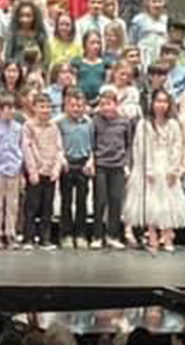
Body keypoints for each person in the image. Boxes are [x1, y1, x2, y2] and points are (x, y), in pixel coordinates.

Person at [124, 89, 185, 253]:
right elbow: (139, 147)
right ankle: (152, 235)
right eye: (158, 101)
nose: (161, 105)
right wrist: (147, 168)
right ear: (152, 103)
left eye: (164, 102)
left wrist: (174, 168)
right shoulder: (144, 123)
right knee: (150, 202)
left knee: (167, 202)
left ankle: (167, 236)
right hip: (149, 166)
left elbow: (177, 146)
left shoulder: (173, 124)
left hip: (167, 165)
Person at [21, 92, 65, 250]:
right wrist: (32, 170)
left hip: (50, 172)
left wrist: (56, 169)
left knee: (48, 206)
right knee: (32, 206)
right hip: (36, 172)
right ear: (34, 108)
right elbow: (27, 148)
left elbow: (59, 149)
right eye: (41, 107)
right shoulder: (29, 126)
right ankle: (28, 238)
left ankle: (45, 238)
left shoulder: (54, 127)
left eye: (48, 107)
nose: (45, 110)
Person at [90, 89, 132, 250]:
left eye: (109, 104)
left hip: (118, 166)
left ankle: (112, 235)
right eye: (102, 104)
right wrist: (93, 161)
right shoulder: (95, 121)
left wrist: (126, 163)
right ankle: (97, 236)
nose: (106, 108)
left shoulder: (124, 122)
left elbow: (128, 145)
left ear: (116, 104)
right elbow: (92, 143)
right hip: (101, 165)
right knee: (100, 201)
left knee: (115, 201)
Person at [0, 92, 25, 250]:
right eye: (6, 108)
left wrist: (21, 171)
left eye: (12, 108)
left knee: (12, 204)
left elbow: (21, 149)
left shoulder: (18, 128)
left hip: (14, 168)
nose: (10, 111)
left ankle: (11, 233)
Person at [56, 91, 94, 248]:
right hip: (67, 163)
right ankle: (66, 234)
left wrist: (91, 160)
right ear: (66, 106)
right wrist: (61, 158)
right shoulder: (59, 123)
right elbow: (56, 144)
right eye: (72, 105)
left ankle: (81, 234)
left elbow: (93, 144)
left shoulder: (89, 123)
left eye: (79, 105)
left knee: (81, 202)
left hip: (83, 164)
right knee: (66, 201)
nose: (76, 109)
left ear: (84, 106)